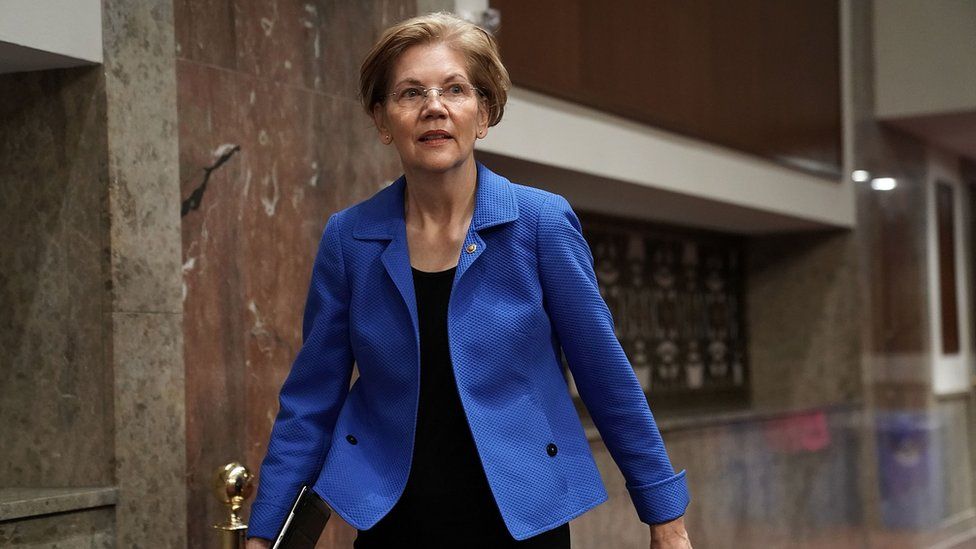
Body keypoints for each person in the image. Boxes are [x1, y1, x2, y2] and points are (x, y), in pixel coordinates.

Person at [246, 12, 692, 549]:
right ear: (383, 120)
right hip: (392, 524)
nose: (434, 106)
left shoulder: (540, 223)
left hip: (523, 522)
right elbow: (310, 401)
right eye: (410, 93)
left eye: (454, 89)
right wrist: (265, 533)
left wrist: (665, 518)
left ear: (482, 114)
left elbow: (606, 377)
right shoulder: (351, 239)